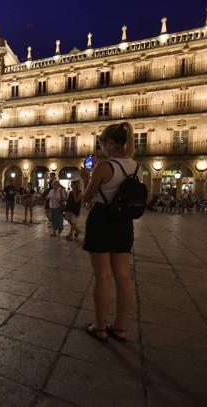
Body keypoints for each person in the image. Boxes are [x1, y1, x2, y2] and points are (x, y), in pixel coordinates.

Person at [80, 122, 141, 342]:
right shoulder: (136, 167)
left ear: (111, 142)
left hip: (102, 220)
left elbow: (86, 197)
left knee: (103, 276)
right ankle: (120, 327)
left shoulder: (104, 167)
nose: (101, 147)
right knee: (123, 276)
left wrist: (86, 178)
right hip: (124, 223)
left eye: (102, 142)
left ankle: (100, 327)